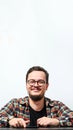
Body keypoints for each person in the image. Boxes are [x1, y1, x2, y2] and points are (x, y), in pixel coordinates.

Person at [0, 66, 73, 128]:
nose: (35, 85)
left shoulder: (56, 106)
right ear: (26, 85)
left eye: (41, 81)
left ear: (47, 86)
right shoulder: (15, 104)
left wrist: (56, 121)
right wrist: (10, 120)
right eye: (32, 81)